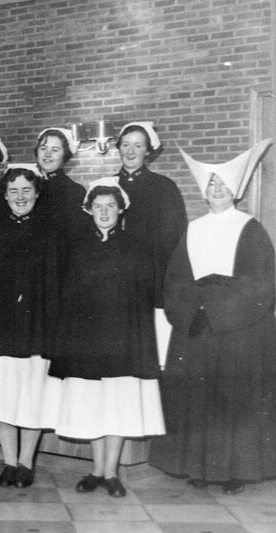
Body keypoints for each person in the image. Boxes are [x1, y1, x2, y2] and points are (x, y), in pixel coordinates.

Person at [148, 139, 276, 494]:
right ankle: (198, 467)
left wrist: (216, 304)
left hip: (237, 333)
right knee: (196, 402)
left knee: (230, 403)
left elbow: (261, 283)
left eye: (222, 184)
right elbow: (175, 279)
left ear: (235, 190)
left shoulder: (250, 227)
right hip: (196, 329)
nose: (216, 189)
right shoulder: (194, 228)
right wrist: (196, 305)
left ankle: (233, 471)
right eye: (210, 184)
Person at [49, 177, 165, 498]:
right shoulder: (76, 247)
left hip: (122, 338)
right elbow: (67, 295)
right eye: (97, 206)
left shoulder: (137, 247)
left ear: (121, 210)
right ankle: (95, 469)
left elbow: (144, 297)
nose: (104, 212)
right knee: (92, 405)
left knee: (115, 404)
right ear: (88, 210)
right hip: (86, 340)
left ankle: (112, 472)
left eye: (110, 206)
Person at [0, 166, 61, 489]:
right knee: (3, 395)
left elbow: (56, 285)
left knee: (32, 395)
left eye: (26, 191)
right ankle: (8, 461)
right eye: (14, 191)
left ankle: (26, 462)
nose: (20, 197)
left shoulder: (51, 231)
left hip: (36, 327)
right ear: (5, 195)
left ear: (36, 193)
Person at [115, 122, 187, 366]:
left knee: (152, 355)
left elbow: (176, 242)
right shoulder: (105, 187)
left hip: (151, 284)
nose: (130, 151)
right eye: (125, 144)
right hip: (114, 285)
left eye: (138, 145)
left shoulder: (165, 188)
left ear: (148, 151)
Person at [33, 127, 90, 246]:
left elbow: (77, 238)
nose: (47, 154)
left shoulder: (74, 191)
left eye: (55, 150)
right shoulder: (29, 187)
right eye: (43, 148)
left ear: (65, 155)